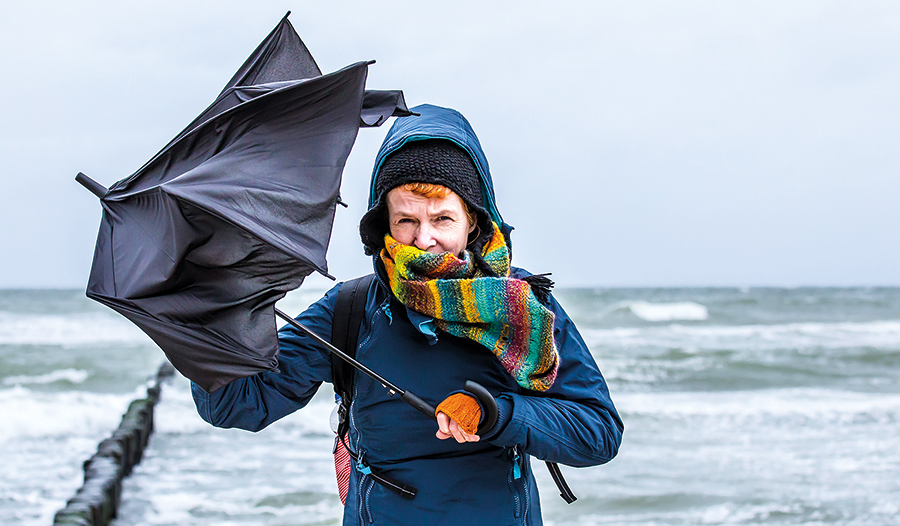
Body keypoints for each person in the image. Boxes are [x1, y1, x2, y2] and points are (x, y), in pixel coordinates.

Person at [191, 104, 623, 526]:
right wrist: (216, 307)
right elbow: (235, 405)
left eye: (442, 218)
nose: (424, 239)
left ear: (472, 220)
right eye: (405, 220)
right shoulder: (349, 310)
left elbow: (598, 432)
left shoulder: (525, 307)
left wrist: (498, 414)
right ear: (384, 224)